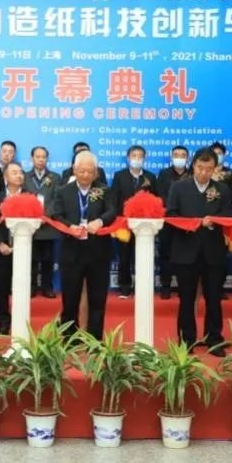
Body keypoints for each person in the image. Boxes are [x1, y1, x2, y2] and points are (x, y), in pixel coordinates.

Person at [166, 147, 232, 355]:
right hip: (185, 251)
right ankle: (187, 340)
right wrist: (194, 223)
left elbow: (228, 213)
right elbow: (171, 215)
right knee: (186, 299)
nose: (204, 172)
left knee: (214, 298)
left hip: (213, 252)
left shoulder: (222, 189)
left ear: (215, 169)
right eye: (200, 168)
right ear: (193, 165)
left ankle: (214, 339)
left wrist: (214, 220)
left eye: (209, 169)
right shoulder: (179, 187)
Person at [49, 150, 116, 338]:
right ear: (74, 170)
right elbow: (56, 214)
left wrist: (100, 221)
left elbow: (112, 211)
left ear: (95, 172)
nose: (86, 175)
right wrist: (70, 226)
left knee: (97, 300)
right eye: (82, 171)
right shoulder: (63, 191)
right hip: (72, 252)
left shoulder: (104, 190)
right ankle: (69, 339)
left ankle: (94, 339)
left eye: (90, 171)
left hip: (98, 252)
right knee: (70, 300)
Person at [110, 145, 158, 299]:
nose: (137, 158)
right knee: (124, 256)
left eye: (140, 156)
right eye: (134, 155)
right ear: (128, 158)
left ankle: (141, 287)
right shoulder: (119, 175)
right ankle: (124, 287)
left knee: (142, 257)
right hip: (124, 224)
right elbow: (114, 199)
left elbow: (155, 199)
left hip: (144, 225)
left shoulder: (150, 177)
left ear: (144, 158)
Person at [0, 162, 28, 334]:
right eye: (14, 172)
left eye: (20, 172)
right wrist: (0, 243)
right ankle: (3, 322)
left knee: (22, 287)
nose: (19, 175)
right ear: (5, 177)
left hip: (24, 250)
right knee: (2, 289)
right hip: (2, 251)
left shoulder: (30, 198)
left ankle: (21, 321)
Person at [156, 145, 191, 299]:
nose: (179, 158)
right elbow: (160, 195)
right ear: (171, 157)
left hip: (186, 221)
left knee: (185, 255)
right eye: (176, 155)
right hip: (168, 220)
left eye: (183, 155)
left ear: (187, 158)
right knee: (166, 254)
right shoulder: (164, 174)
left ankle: (184, 287)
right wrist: (173, 209)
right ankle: (166, 286)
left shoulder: (191, 174)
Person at [24, 145, 60, 299]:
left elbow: (57, 199)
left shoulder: (55, 177)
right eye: (37, 157)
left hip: (48, 223)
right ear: (32, 158)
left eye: (43, 157)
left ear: (47, 159)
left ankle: (47, 287)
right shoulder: (25, 176)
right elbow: (22, 198)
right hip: (30, 224)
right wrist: (33, 216)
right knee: (31, 258)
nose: (40, 160)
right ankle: (31, 287)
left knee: (48, 258)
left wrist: (46, 215)